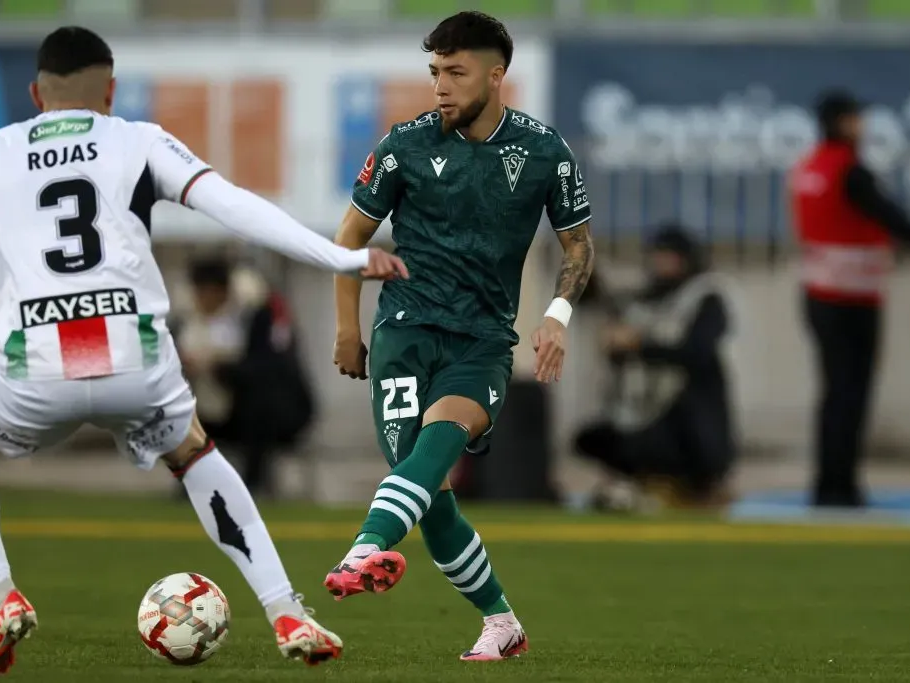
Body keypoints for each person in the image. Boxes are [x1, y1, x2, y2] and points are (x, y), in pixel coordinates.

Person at [0, 26, 407, 677]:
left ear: (35, 93)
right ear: (112, 91)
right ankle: (285, 609)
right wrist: (346, 256)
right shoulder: (139, 140)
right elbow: (237, 208)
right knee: (195, 452)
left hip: (32, 365)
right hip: (137, 359)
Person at [326, 11, 594, 661]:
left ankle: (366, 544)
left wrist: (554, 317)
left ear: (496, 75)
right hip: (402, 331)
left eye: (455, 72)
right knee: (430, 493)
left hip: (480, 342)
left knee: (435, 450)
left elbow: (578, 248)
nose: (440, 86)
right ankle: (501, 622)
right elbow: (350, 240)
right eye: (434, 73)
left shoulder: (544, 152)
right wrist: (346, 329)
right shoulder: (403, 146)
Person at [790, 89, 910, 508]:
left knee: (833, 392)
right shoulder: (849, 170)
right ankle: (842, 485)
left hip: (817, 293)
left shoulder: (808, 168)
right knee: (851, 394)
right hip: (853, 299)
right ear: (843, 122)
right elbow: (886, 212)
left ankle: (827, 482)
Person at [573, 224, 736, 510]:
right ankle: (639, 483)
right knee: (594, 438)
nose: (662, 264)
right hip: (648, 412)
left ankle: (691, 486)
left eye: (670, 257)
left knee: (658, 438)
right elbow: (601, 306)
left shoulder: (706, 297)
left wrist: (639, 346)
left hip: (691, 421)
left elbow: (696, 352)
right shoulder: (645, 299)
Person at [173, 257, 315, 497]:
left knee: (259, 402)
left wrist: (220, 367)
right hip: (212, 409)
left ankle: (253, 484)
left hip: (270, 414)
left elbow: (269, 369)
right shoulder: (185, 319)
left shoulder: (257, 313)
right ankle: (191, 485)